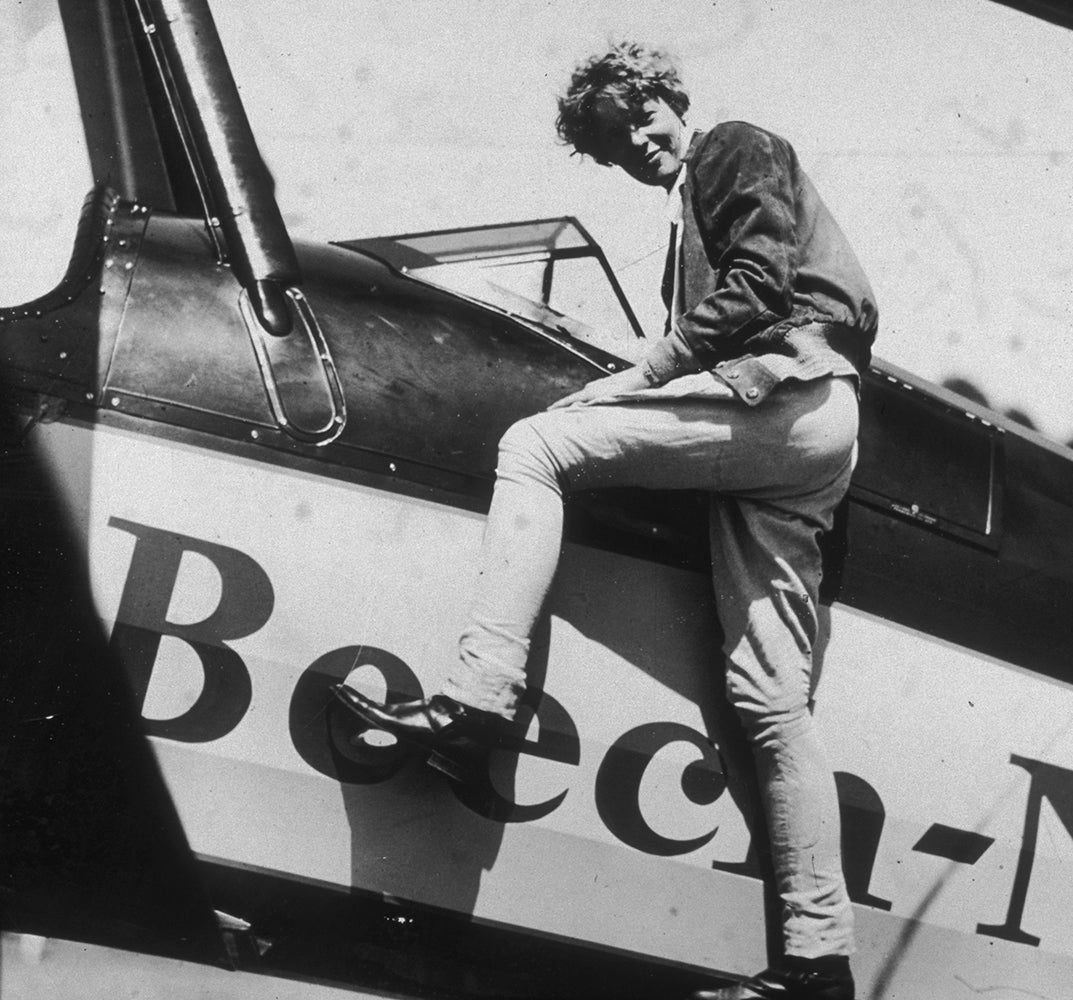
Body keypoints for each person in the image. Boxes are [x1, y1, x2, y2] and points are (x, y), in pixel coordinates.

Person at [334, 41, 878, 1000]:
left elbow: (757, 288)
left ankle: (476, 703)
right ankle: (818, 963)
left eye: (640, 117)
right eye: (614, 143)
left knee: (537, 445)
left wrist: (641, 374)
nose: (638, 143)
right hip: (808, 430)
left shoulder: (732, 148)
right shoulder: (690, 204)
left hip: (787, 394)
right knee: (770, 700)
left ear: (672, 97)